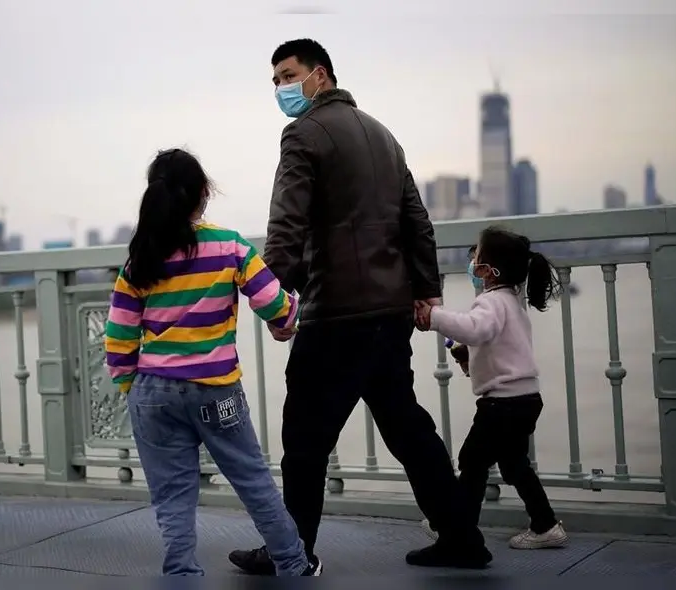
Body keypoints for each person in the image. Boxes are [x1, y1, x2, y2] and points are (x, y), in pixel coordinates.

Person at [228, 38, 493, 574]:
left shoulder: (302, 134)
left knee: (304, 439)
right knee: (409, 429)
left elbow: (288, 224)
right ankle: (461, 536)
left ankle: (292, 551)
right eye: (274, 80)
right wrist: (425, 289)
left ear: (319, 75)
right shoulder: (383, 135)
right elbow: (416, 221)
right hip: (388, 313)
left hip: (338, 316)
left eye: (287, 74)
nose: (280, 88)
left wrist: (276, 300)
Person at [104, 148, 322, 577]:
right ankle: (294, 565)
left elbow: (119, 338)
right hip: (215, 387)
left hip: (153, 392)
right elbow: (276, 307)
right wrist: (292, 311)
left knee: (172, 497)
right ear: (203, 194)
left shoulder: (140, 259)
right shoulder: (228, 245)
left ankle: (182, 575)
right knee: (254, 483)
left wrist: (134, 388)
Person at [415, 227, 569, 550]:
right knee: (514, 464)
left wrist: (435, 316)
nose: (472, 260)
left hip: (502, 405)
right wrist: (469, 356)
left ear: (487, 271)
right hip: (526, 399)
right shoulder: (512, 302)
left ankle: (456, 529)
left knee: (472, 461)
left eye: (476, 256)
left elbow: (475, 329)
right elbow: (502, 348)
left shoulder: (490, 303)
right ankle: (546, 524)